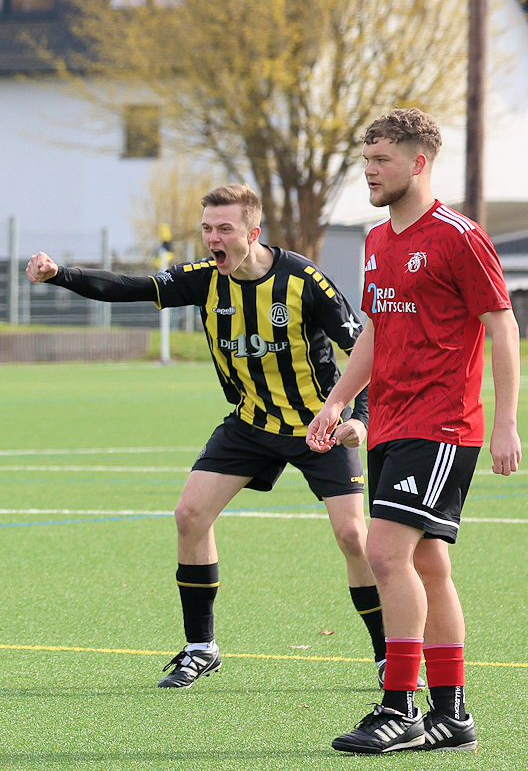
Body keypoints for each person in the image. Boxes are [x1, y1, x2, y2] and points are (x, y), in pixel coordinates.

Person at [26, 184, 388, 689]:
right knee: (190, 515)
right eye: (207, 229)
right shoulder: (203, 278)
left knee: (353, 537)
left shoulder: (305, 281)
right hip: (251, 424)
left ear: (252, 234)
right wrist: (59, 274)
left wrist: (361, 420)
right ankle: (201, 648)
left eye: (224, 229)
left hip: (318, 426)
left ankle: (388, 656)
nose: (213, 239)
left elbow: (370, 353)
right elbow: (128, 287)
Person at [308, 109, 520, 754]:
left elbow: (502, 324)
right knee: (427, 563)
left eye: (382, 161)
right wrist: (337, 401)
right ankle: (452, 716)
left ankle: (399, 706)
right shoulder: (377, 239)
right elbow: (375, 330)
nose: (369, 171)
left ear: (418, 162)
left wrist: (506, 422)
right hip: (390, 423)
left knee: (385, 555)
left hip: (442, 423)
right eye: (366, 160)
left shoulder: (459, 236)